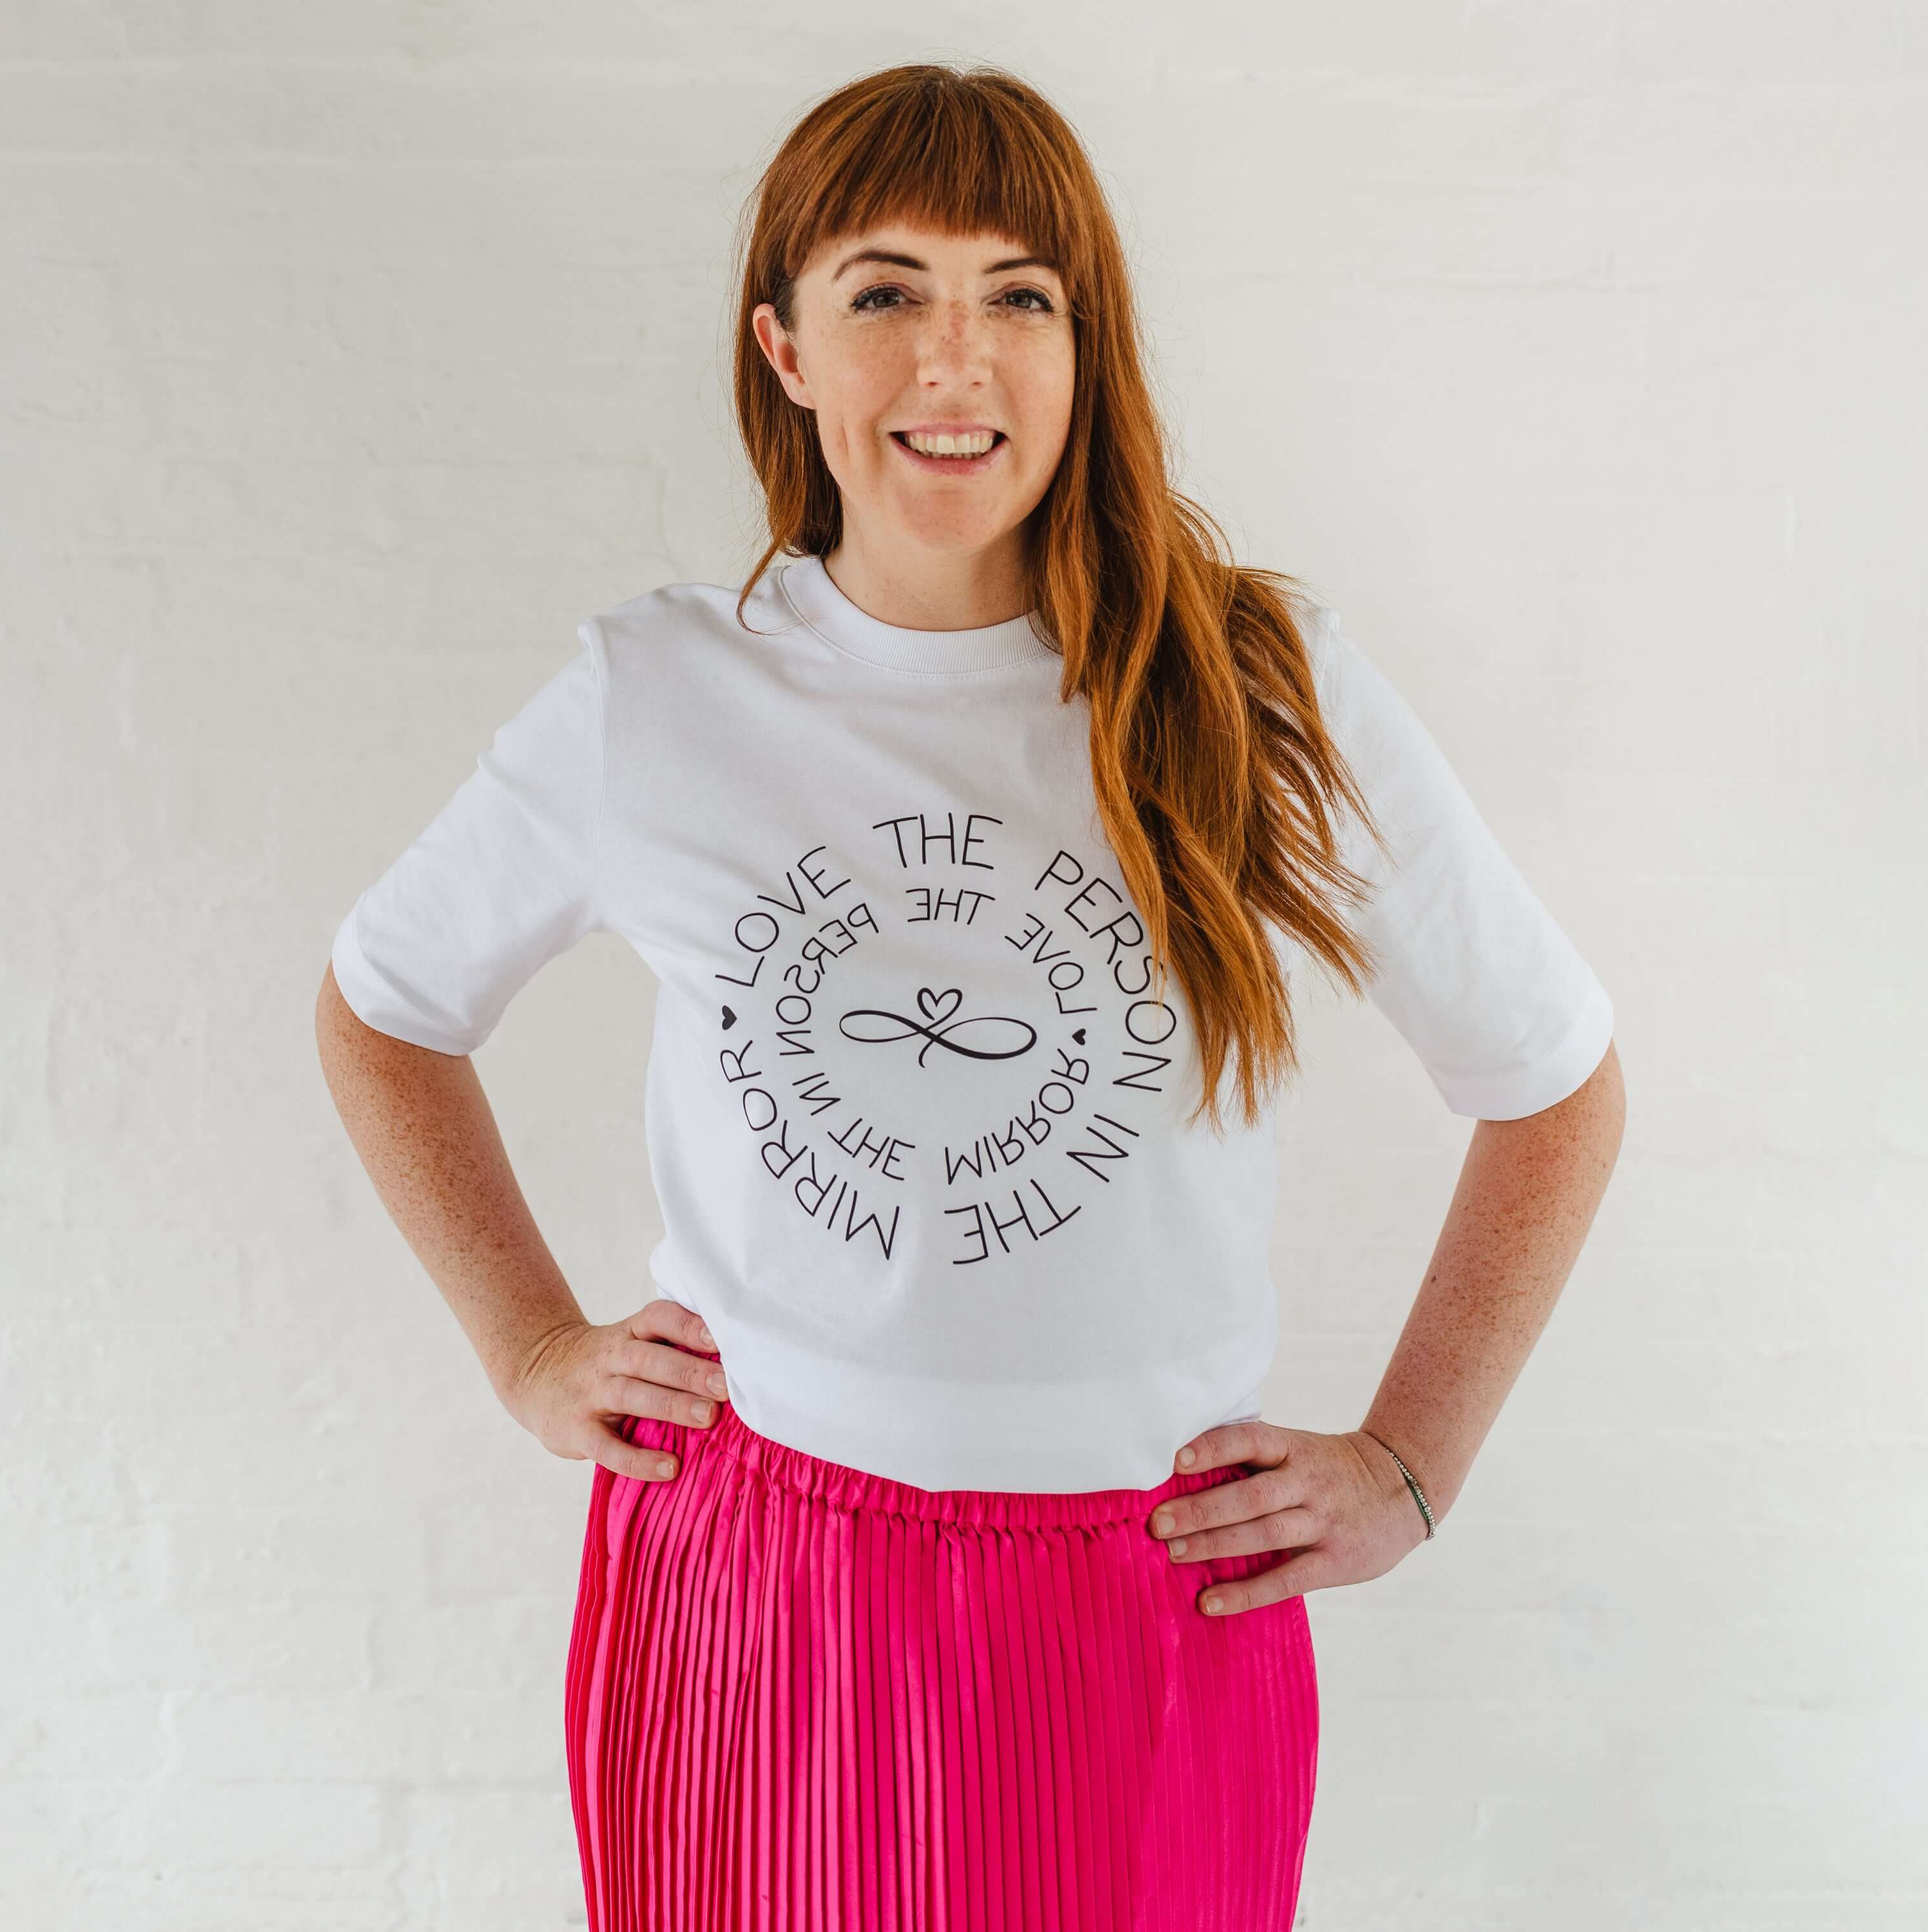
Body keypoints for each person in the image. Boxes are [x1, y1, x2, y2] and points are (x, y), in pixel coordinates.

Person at [316, 60, 1625, 1932]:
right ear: (783, 346)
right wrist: (528, 1345)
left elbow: (1556, 1083)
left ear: (1089, 347)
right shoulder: (655, 701)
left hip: (1146, 1600)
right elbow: (382, 1010)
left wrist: (1415, 1462)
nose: (957, 359)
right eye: (886, 292)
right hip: (754, 1585)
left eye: (1021, 294)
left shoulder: (1258, 686)